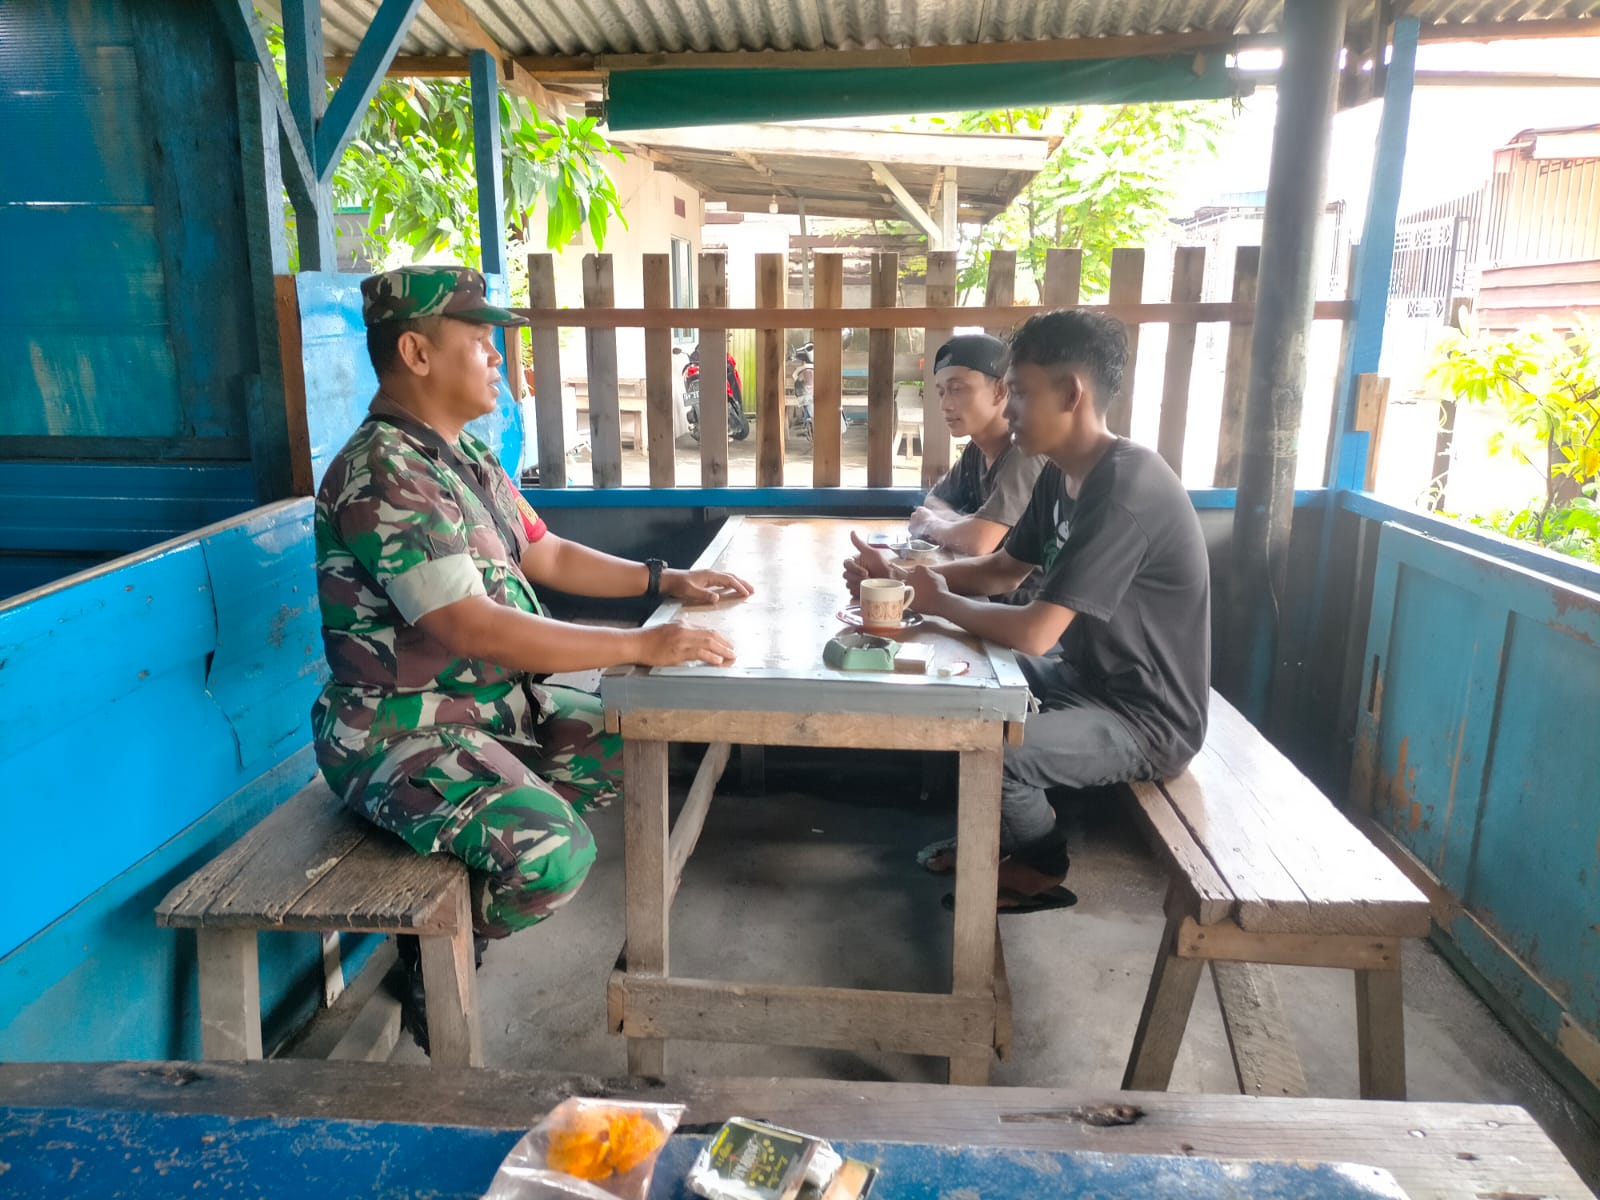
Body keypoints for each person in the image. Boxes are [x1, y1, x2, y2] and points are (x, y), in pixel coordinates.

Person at [312, 265, 751, 1049]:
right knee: (554, 857)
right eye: (479, 342)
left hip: (491, 712)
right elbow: (472, 626)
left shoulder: (462, 456)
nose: (497, 359)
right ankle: (440, 945)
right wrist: (639, 643)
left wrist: (665, 577)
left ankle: (478, 844)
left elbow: (545, 555)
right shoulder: (384, 470)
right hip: (400, 734)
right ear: (416, 352)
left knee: (635, 744)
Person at [845, 310, 1210, 913]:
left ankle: (1040, 863)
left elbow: (1037, 632)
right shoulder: (1062, 473)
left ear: (1071, 394)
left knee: (1000, 749)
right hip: (1085, 679)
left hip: (1147, 717)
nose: (1008, 407)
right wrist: (910, 578)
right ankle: (1000, 838)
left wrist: (934, 599)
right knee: (955, 673)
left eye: (1019, 391)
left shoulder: (1126, 488)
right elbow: (999, 571)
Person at [908, 334, 1045, 561]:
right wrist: (962, 524)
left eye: (957, 389)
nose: (945, 405)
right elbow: (934, 500)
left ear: (1000, 390)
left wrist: (931, 524)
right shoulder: (976, 450)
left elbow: (979, 541)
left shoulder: (1025, 452)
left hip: (1020, 595)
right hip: (984, 587)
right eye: (941, 392)